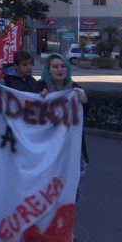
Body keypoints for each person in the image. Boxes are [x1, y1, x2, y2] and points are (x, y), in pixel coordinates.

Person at [41, 54, 89, 199]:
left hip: (72, 148)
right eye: (55, 66)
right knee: (48, 192)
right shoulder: (40, 87)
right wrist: (38, 98)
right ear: (48, 70)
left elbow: (83, 116)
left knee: (72, 192)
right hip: (48, 150)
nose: (60, 69)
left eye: (63, 66)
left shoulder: (75, 88)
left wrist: (84, 101)